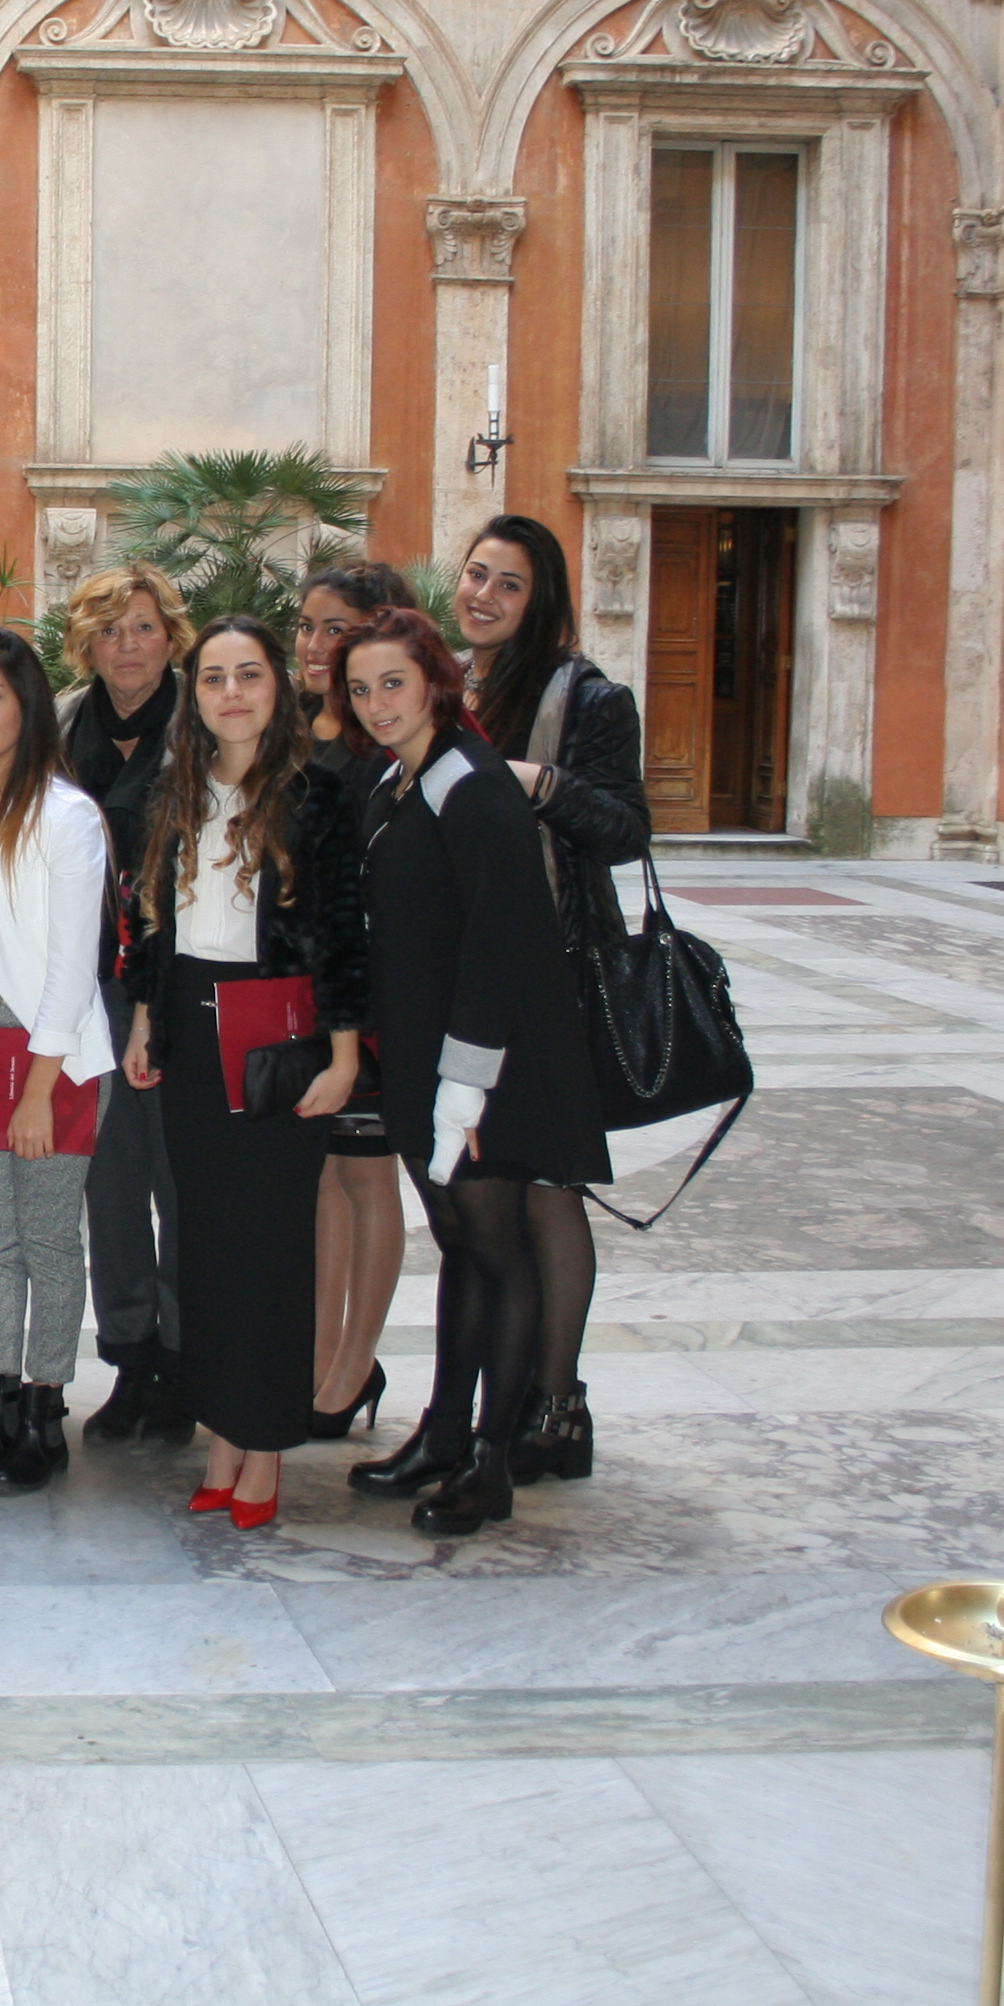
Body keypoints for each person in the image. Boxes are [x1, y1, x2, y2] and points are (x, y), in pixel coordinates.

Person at [337, 606, 612, 1537]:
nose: (377, 703)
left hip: (491, 1066)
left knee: (498, 1251)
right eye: (361, 688)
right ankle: (445, 1434)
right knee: (461, 1244)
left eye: (394, 683)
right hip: (429, 1055)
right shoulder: (401, 777)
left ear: (435, 683)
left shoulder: (472, 782)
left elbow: (501, 944)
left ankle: (491, 1460)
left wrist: (465, 1086)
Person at [120, 614, 365, 1532]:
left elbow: (342, 934)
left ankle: (264, 1451)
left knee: (270, 1250)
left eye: (249, 675)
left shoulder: (317, 794)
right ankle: (222, 1439)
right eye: (215, 678)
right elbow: (152, 922)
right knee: (207, 1248)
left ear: (278, 687)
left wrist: (345, 1053)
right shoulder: (173, 790)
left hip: (278, 1034)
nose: (232, 694)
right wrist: (146, 1019)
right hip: (189, 1023)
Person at [450, 515, 648, 1481]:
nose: (483, 595)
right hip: (465, 976)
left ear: (543, 601)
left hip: (554, 977)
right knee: (486, 1198)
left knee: (548, 1191)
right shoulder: (444, 683)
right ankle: (505, 1395)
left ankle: (559, 1404)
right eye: (476, 574)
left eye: (509, 583)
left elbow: (625, 829)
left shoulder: (591, 697)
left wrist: (539, 783)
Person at [0, 627, 113, 1495]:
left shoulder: (65, 815)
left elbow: (74, 968)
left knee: (47, 1239)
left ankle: (45, 1411)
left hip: (52, 1049)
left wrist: (40, 1090)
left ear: (27, 704)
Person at [53, 561, 198, 1449]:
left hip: (178, 982)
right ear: (86, 644)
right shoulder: (62, 725)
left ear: (171, 635)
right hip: (87, 985)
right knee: (108, 1182)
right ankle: (131, 1357)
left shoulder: (201, 720)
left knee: (179, 1180)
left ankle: (183, 1362)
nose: (129, 646)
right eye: (109, 630)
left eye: (144, 626)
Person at [294, 562, 415, 1441]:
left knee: (368, 1176)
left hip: (368, 993)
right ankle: (317, 1356)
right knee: (322, 1180)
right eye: (305, 625)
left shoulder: (384, 743)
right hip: (303, 990)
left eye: (333, 628)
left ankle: (354, 1363)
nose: (312, 643)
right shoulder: (297, 729)